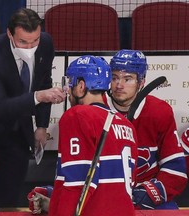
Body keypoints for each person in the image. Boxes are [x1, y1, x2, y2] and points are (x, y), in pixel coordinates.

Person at [0, 8, 66, 207]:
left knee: (13, 183)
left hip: (18, 122)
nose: (30, 47)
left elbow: (44, 81)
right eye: (23, 42)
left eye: (34, 41)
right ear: (10, 34)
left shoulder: (45, 44)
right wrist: (38, 96)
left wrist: (41, 126)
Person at [29, 55, 139, 215]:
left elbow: (78, 183)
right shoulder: (126, 125)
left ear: (81, 86)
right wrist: (52, 203)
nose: (67, 90)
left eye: (70, 82)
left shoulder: (77, 115)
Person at [104, 49, 188, 209]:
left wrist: (150, 193)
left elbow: (175, 168)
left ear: (141, 82)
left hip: (146, 196)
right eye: (114, 77)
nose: (119, 85)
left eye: (127, 79)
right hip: (108, 193)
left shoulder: (159, 111)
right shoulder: (97, 110)